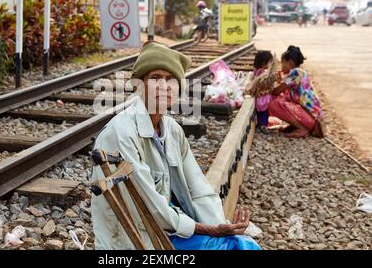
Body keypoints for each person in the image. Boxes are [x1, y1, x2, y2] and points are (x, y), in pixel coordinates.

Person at [91, 41, 261, 250]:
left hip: (165, 229)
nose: (163, 86)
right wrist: (211, 231)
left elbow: (198, 188)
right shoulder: (122, 133)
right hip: (138, 238)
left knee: (239, 243)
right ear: (139, 85)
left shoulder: (171, 129)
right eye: (155, 78)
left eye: (170, 79)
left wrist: (222, 225)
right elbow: (149, 208)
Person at [269, 46, 324, 138]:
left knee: (274, 104)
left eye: (282, 63)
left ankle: (302, 129)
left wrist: (270, 82)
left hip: (311, 120)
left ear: (290, 62)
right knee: (281, 100)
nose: (281, 66)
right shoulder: (300, 72)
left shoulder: (295, 74)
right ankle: (295, 126)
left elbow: (276, 91)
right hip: (311, 118)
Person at [245, 51, 281, 134]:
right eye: (269, 62)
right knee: (264, 112)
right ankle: (263, 125)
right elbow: (264, 82)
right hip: (263, 96)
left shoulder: (256, 70)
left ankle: (260, 124)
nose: (270, 64)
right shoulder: (263, 73)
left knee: (260, 112)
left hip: (259, 97)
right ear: (264, 63)